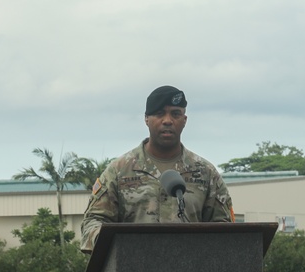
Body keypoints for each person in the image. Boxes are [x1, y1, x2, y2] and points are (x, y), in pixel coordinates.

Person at [80, 85, 234, 255]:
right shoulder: (119, 171)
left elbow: (225, 229)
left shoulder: (206, 173)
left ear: (184, 119)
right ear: (146, 119)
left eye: (175, 114)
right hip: (132, 269)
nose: (167, 120)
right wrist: (111, 243)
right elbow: (93, 221)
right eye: (159, 113)